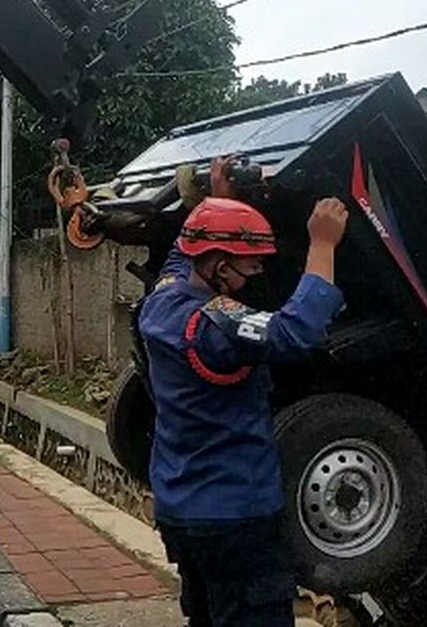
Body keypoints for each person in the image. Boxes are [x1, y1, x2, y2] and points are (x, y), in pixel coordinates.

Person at [138, 157, 349, 627]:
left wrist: (220, 199)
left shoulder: (163, 299)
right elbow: (294, 332)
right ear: (215, 264)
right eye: (246, 267)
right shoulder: (215, 326)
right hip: (236, 516)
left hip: (183, 510)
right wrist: (323, 243)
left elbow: (183, 250)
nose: (253, 277)